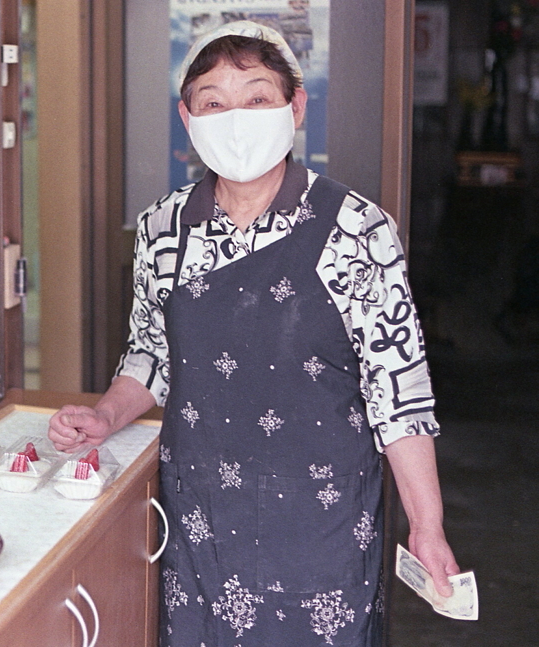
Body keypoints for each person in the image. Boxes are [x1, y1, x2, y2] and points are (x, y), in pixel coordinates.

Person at [47, 20, 460, 646]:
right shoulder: (164, 228)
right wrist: (106, 416)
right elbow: (151, 356)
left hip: (321, 521)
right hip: (203, 517)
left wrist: (426, 523)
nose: (235, 117)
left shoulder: (355, 230)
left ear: (294, 107)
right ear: (187, 120)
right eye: (213, 102)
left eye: (257, 97)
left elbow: (398, 394)